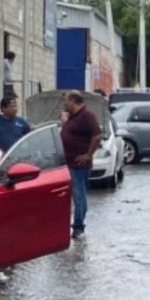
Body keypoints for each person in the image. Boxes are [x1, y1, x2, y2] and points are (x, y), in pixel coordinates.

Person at [60, 90, 102, 240]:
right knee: (77, 196)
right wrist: (65, 122)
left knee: (79, 196)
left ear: (73, 101)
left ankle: (78, 227)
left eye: (66, 101)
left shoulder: (87, 116)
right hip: (69, 162)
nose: (64, 104)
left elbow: (97, 137)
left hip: (79, 164)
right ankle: (77, 224)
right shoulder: (73, 117)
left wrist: (88, 155)